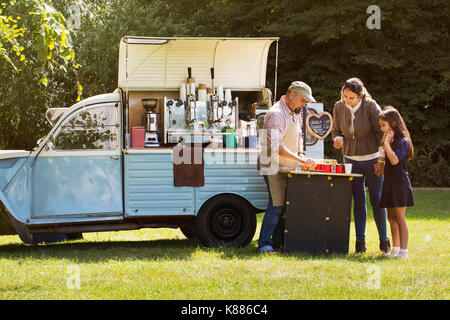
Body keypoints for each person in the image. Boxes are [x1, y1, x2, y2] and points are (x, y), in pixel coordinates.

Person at [331, 77, 390, 254]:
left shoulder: (371, 106)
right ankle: (360, 243)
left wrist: (381, 160)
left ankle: (384, 241)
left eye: (350, 98)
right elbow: (335, 129)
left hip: (372, 158)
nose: (346, 101)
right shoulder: (338, 106)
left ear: (360, 96)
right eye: (344, 97)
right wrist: (337, 138)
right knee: (358, 200)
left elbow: (383, 133)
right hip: (350, 158)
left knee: (377, 200)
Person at [257, 81, 315, 253]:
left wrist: (302, 156)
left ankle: (279, 243)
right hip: (273, 166)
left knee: (285, 205)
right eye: (303, 100)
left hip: (287, 166)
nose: (304, 104)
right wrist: (300, 160)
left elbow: (298, 140)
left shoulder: (294, 112)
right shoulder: (275, 114)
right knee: (275, 205)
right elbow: (277, 147)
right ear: (292, 95)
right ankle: (264, 245)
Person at [378, 107, 414, 259]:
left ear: (393, 124)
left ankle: (404, 252)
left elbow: (394, 160)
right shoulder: (389, 141)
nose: (381, 129)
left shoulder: (402, 142)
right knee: (391, 218)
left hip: (400, 184)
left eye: (383, 125)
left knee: (400, 218)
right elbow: (386, 163)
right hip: (389, 183)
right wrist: (379, 166)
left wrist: (386, 143)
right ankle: (396, 249)